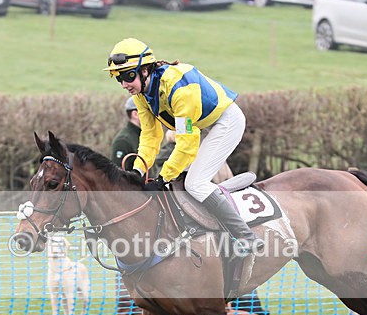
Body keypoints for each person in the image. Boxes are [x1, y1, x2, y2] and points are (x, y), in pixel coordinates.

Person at [104, 37, 261, 256]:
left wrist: (161, 179)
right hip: (200, 125)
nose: (124, 84)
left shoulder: (178, 88)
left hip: (225, 122)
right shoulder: (141, 94)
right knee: (179, 183)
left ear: (145, 69)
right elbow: (150, 135)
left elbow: (187, 143)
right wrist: (136, 172)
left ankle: (245, 236)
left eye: (127, 76)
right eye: (118, 78)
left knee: (195, 183)